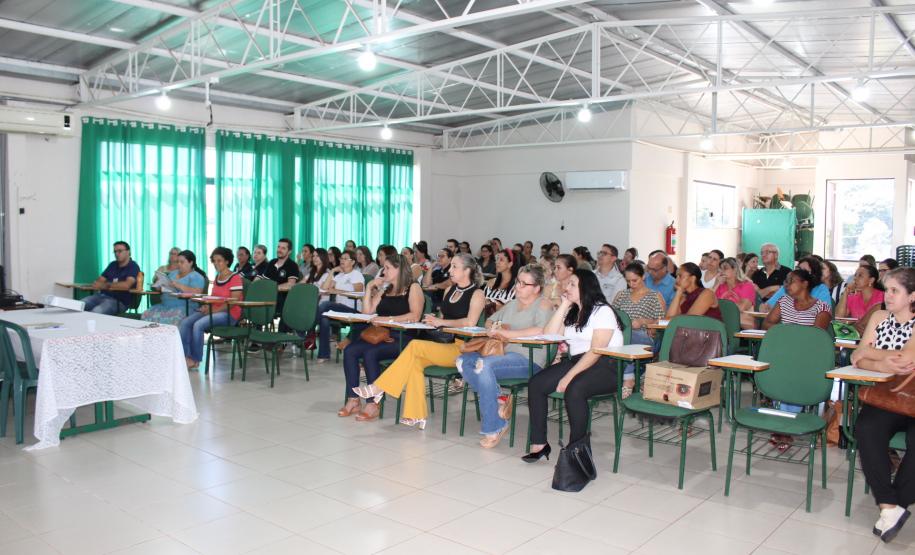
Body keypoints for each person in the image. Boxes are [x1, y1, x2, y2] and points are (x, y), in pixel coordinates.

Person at [352, 254, 486, 429]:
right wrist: (433, 320)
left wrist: (442, 322)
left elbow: (470, 322)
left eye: (454, 267)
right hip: (443, 345)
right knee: (414, 363)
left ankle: (379, 388)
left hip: (463, 349)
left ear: (467, 270)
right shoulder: (449, 290)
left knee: (414, 345)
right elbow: (443, 319)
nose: (450, 270)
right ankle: (415, 415)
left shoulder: (477, 293)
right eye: (451, 266)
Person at [524, 270, 624, 462]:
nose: (565, 287)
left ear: (585, 287)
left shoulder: (602, 311)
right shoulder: (573, 311)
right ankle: (540, 444)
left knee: (574, 388)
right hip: (578, 361)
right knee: (536, 384)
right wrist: (564, 305)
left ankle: (576, 449)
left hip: (607, 365)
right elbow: (548, 334)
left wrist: (569, 376)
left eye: (572, 284)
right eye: (567, 284)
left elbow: (596, 351)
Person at [457, 264, 554, 448]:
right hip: (503, 354)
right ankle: (499, 401)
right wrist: (493, 328)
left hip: (529, 358)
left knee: (484, 366)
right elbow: (490, 319)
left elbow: (541, 330)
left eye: (524, 284)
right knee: (463, 361)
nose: (518, 286)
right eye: (518, 282)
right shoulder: (511, 304)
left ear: (537, 288)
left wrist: (508, 334)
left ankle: (494, 427)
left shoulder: (543, 303)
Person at [852, 267, 915, 543]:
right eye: (886, 289)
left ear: (912, 296)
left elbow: (904, 360)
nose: (887, 296)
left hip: (911, 395)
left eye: (894, 291)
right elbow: (856, 357)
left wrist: (872, 353)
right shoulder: (878, 316)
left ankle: (896, 504)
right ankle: (889, 506)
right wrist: (880, 359)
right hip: (885, 395)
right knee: (866, 429)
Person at [338, 254, 425, 421]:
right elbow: (367, 312)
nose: (383, 272)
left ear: (399, 269)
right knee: (350, 350)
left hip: (403, 337)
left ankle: (373, 403)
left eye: (387, 268)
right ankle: (353, 399)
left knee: (371, 353)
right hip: (381, 336)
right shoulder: (386, 289)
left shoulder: (413, 287)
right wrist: (370, 288)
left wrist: (386, 320)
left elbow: (415, 315)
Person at [178, 247, 242, 370]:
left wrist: (213, 310)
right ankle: (185, 356)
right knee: (186, 322)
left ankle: (195, 359)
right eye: (214, 261)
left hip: (230, 314)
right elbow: (214, 297)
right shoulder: (218, 277)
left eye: (219, 260)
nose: (216, 264)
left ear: (227, 261)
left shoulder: (235, 277)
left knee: (199, 325)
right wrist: (206, 306)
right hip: (214, 311)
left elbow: (233, 301)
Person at [612, 263, 664, 397]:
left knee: (626, 337)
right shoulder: (621, 295)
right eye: (628, 281)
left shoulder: (654, 296)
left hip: (646, 337)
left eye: (634, 280)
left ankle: (628, 378)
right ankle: (628, 377)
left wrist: (643, 321)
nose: (631, 284)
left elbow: (662, 322)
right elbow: (611, 315)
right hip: (624, 336)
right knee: (624, 337)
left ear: (644, 277)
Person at [315, 250, 366, 362]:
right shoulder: (339, 276)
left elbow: (358, 288)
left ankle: (310, 328)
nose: (341, 260)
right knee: (324, 318)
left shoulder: (357, 274)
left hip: (353, 309)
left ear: (352, 262)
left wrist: (336, 289)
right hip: (339, 308)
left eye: (345, 258)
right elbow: (324, 288)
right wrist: (332, 271)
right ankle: (324, 354)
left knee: (324, 305)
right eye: (341, 259)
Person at [142, 250, 206, 325]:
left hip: (185, 307)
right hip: (164, 306)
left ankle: (172, 336)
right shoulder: (173, 273)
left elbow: (197, 292)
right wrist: (159, 286)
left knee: (175, 317)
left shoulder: (196, 276)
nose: (179, 264)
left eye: (182, 262)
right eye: (177, 262)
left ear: (191, 263)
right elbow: (165, 286)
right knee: (146, 314)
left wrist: (179, 285)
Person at [82, 241, 141, 315]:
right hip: (100, 296)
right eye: (115, 251)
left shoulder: (133, 266)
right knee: (79, 305)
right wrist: (98, 284)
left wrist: (106, 285)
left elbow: (127, 285)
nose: (117, 254)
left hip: (118, 301)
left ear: (128, 252)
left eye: (119, 251)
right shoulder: (112, 265)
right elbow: (99, 281)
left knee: (96, 312)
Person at [762, 268, 832, 331]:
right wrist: (789, 331)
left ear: (805, 284)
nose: (787, 285)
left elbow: (817, 336)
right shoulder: (784, 301)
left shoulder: (821, 308)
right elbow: (766, 325)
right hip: (784, 343)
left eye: (791, 281)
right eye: (786, 281)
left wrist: (788, 331)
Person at [764, 256, 833, 310]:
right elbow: (767, 306)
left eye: (803, 271)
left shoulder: (821, 289)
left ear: (813, 274)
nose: (798, 273)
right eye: (797, 269)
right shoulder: (787, 287)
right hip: (785, 325)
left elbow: (824, 313)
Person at [263, 238, 301, 332]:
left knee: (287, 308)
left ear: (289, 251)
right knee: (256, 303)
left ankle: (280, 339)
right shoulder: (272, 262)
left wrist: (273, 288)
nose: (279, 250)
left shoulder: (292, 265)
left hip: (283, 299)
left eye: (283, 248)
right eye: (278, 247)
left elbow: (290, 284)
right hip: (268, 297)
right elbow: (264, 282)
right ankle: (256, 338)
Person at [715, 257, 756, 328]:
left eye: (725, 268)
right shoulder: (720, 286)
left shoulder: (747, 285)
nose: (721, 271)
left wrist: (720, 309)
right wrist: (716, 284)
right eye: (720, 269)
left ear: (735, 269)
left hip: (742, 325)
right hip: (723, 322)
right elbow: (709, 303)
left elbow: (741, 307)